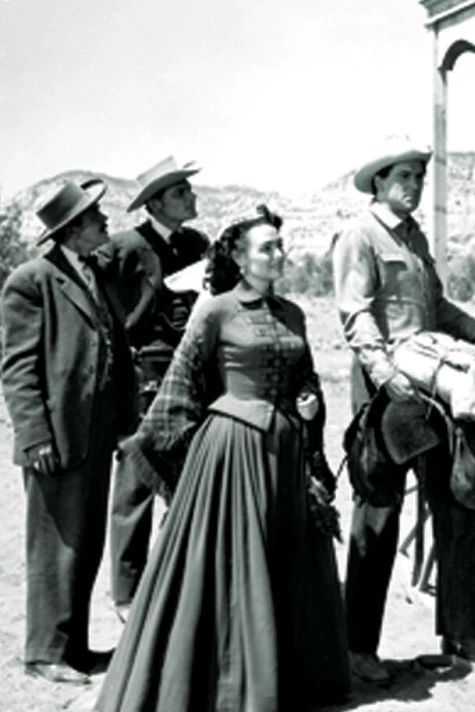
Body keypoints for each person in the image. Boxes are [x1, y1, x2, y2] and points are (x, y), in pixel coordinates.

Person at [95, 205, 350, 712]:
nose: (279, 254)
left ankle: (284, 679)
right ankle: (230, 686)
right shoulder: (215, 310)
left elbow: (305, 373)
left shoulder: (293, 313)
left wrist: (308, 399)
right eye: (267, 247)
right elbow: (183, 380)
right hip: (233, 451)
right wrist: (178, 453)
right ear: (239, 257)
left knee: (284, 563)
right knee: (231, 568)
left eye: (280, 245)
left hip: (284, 452)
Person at [332, 135, 475, 683]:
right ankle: (359, 647)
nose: (414, 185)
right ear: (379, 182)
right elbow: (356, 313)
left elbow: (435, 307)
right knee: (378, 516)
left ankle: (464, 635)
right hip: (388, 397)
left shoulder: (414, 238)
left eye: (419, 177)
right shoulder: (360, 235)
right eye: (403, 176)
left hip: (433, 388)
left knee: (459, 503)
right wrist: (385, 374)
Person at [1, 180, 138, 685]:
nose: (105, 221)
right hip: (55, 435)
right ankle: (44, 652)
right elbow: (18, 368)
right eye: (95, 216)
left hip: (95, 432)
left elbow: (115, 349)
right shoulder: (31, 281)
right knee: (53, 545)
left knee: (85, 541)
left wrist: (124, 422)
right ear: (73, 229)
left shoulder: (94, 272)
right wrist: (34, 435)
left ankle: (73, 647)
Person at [101, 157, 210, 621]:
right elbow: (104, 310)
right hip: (145, 371)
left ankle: (176, 580)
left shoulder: (198, 244)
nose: (191, 197)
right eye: (181, 192)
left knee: (187, 473)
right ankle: (127, 593)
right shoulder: (125, 248)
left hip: (194, 369)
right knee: (136, 475)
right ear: (157, 204)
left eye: (188, 190)